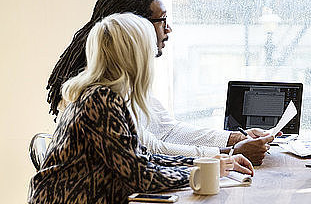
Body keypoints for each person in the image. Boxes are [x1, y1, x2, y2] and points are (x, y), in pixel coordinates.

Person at [29, 13, 254, 204]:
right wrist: (204, 171)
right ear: (135, 57)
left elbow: (143, 157)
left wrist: (209, 163)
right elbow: (141, 176)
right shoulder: (101, 101)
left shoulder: (102, 96)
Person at [46, 0, 273, 165]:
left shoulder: (122, 75)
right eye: (162, 20)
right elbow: (149, 151)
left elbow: (166, 130)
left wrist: (236, 138)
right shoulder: (101, 91)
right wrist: (227, 154)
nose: (168, 29)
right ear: (134, 25)